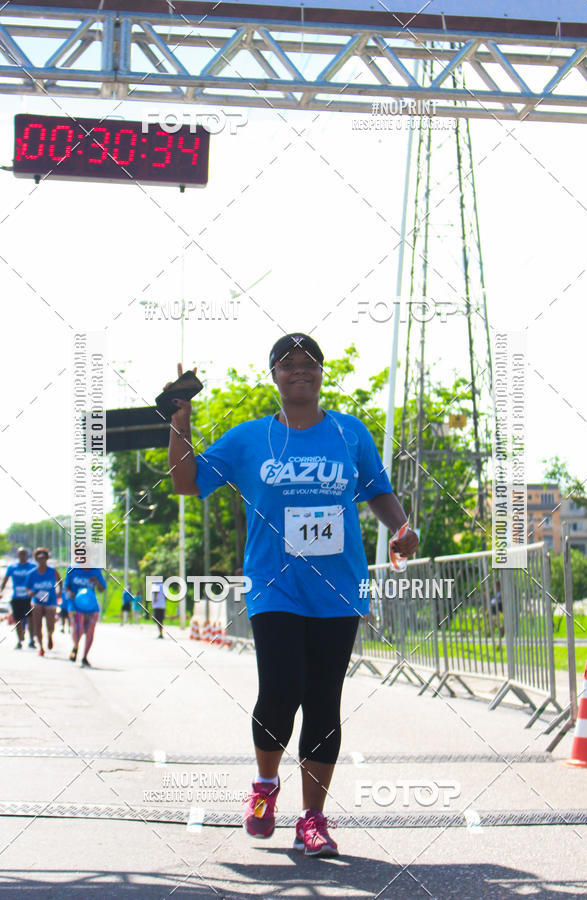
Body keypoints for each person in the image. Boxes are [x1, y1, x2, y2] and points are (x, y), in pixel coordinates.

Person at [166, 336, 418, 857]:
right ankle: (263, 789)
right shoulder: (248, 439)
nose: (299, 372)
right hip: (273, 584)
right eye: (288, 365)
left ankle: (313, 817)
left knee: (324, 699)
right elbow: (186, 482)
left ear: (322, 373)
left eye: (309, 365)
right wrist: (179, 424)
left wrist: (402, 527)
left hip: (338, 587)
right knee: (281, 690)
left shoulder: (350, 432)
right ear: (274, 376)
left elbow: (378, 490)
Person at [64, 566, 106, 666]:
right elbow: (66, 586)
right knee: (78, 629)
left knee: (90, 631)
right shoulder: (72, 569)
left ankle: (85, 657)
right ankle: (75, 646)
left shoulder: (96, 571)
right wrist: (70, 594)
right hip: (75, 605)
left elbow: (102, 589)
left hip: (91, 606)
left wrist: (96, 581)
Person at [26, 548, 61, 657]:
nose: (41, 560)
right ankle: (41, 647)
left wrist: (60, 593)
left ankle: (50, 635)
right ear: (36, 559)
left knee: (50, 624)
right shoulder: (32, 573)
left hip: (51, 600)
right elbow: (27, 587)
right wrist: (30, 592)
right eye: (39, 558)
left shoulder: (52, 571)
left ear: (46, 559)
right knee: (37, 624)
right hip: (37, 600)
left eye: (44, 558)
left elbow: (60, 581)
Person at [1, 547, 36, 649]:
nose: (22, 556)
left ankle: (31, 640)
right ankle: (20, 640)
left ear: (27, 555)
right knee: (18, 620)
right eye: (20, 554)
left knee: (30, 619)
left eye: (24, 554)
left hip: (28, 597)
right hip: (16, 597)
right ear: (18, 555)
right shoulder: (12, 567)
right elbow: (5, 580)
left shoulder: (32, 567)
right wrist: (1, 591)